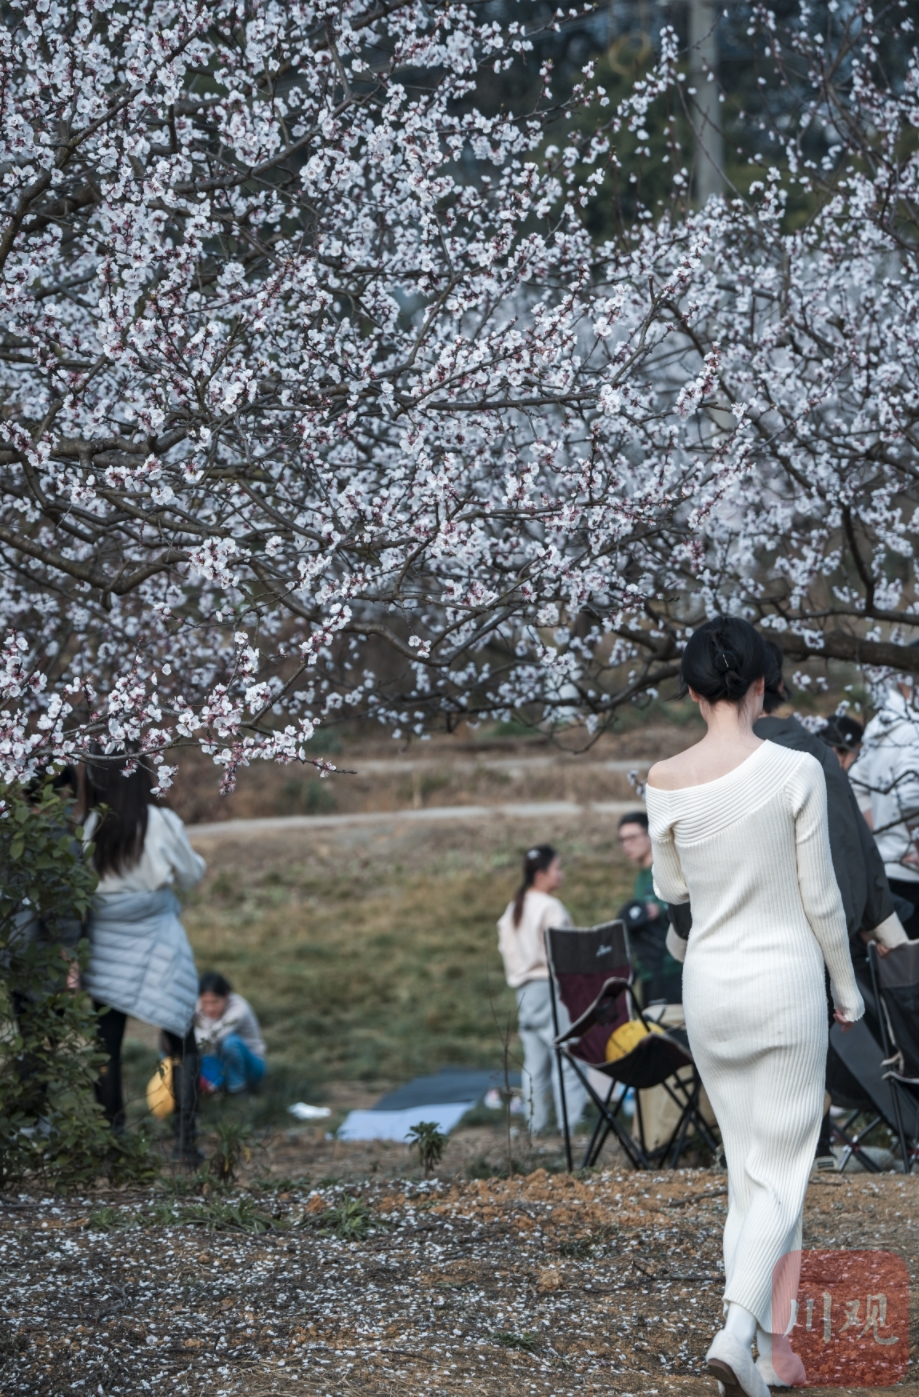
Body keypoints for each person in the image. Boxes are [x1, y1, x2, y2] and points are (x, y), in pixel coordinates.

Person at [646, 616, 863, 1397]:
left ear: (694, 689)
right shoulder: (794, 769)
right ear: (760, 683)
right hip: (783, 988)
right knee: (779, 1175)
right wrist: (847, 989)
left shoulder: (662, 778)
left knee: (753, 1175)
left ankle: (775, 1351)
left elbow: (670, 890)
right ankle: (736, 1332)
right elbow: (820, 897)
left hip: (708, 989)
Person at [81, 747, 205, 1163]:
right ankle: (186, 1144)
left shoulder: (92, 825)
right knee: (182, 1040)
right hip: (159, 940)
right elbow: (191, 874)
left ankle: (112, 1145)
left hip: (106, 946)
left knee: (107, 1047)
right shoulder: (161, 823)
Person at [496, 845, 586, 1136]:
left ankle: (535, 1129)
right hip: (550, 987)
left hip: (523, 990)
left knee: (534, 1064)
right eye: (557, 868)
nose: (561, 874)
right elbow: (562, 950)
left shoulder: (514, 908)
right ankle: (569, 1126)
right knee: (567, 1057)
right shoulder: (549, 907)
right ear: (541, 874)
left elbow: (505, 948)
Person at [850, 666, 919, 938]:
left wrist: (879, 830)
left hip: (886, 864)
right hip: (911, 869)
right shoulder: (913, 728)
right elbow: (912, 796)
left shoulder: (883, 726)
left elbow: (856, 781)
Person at [617, 811, 682, 1004]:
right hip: (648, 970)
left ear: (649, 835)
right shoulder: (641, 876)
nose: (626, 845)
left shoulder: (665, 868)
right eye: (622, 840)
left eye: (632, 837)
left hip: (672, 967)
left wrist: (658, 910)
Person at [195, 972, 266, 1094]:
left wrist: (188, 1038)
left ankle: (239, 1087)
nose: (210, 1008)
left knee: (230, 1042)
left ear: (227, 995)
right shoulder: (198, 1005)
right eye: (205, 1002)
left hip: (251, 1065)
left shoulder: (239, 1008)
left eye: (215, 1002)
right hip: (220, 1060)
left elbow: (213, 1036)